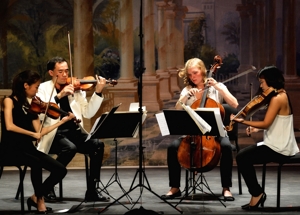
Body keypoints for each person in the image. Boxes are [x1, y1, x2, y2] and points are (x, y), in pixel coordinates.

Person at [160, 58, 239, 201]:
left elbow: (234, 104)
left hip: (215, 133)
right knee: (172, 148)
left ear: (203, 71)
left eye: (195, 73)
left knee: (227, 147)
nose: (193, 77)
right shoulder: (188, 90)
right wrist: (185, 98)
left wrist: (219, 87)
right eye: (190, 75)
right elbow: (178, 108)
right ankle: (175, 187)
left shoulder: (217, 87)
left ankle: (226, 188)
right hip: (193, 133)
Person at [0, 70, 76, 213]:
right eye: (36, 87)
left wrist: (63, 121)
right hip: (10, 149)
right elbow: (9, 126)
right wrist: (32, 134)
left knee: (61, 170)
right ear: (26, 85)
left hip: (28, 149)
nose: (37, 90)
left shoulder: (32, 106)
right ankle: (40, 202)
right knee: (36, 162)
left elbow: (40, 132)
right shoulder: (8, 101)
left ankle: (35, 196)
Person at [36, 56, 109, 202]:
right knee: (70, 148)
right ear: (51, 73)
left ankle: (92, 190)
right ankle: (48, 187)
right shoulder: (43, 88)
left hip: (74, 132)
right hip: (53, 132)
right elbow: (40, 112)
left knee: (97, 145)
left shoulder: (76, 88)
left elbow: (88, 112)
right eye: (60, 71)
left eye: (66, 71)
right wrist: (59, 95)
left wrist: (98, 92)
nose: (65, 75)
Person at [231, 66, 299, 210]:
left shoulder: (277, 98)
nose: (261, 86)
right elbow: (277, 122)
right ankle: (257, 192)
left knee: (242, 158)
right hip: (277, 143)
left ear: (270, 80)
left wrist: (243, 121)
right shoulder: (281, 95)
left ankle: (257, 193)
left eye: (262, 82)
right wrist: (255, 127)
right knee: (243, 156)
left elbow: (267, 123)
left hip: (279, 147)